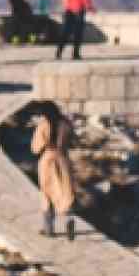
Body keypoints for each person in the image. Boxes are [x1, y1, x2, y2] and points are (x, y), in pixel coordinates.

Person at [29, 101, 78, 239]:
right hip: (63, 159)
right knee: (65, 192)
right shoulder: (66, 123)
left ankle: (49, 229)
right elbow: (72, 140)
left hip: (48, 160)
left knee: (47, 194)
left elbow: (35, 148)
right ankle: (68, 218)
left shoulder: (44, 125)